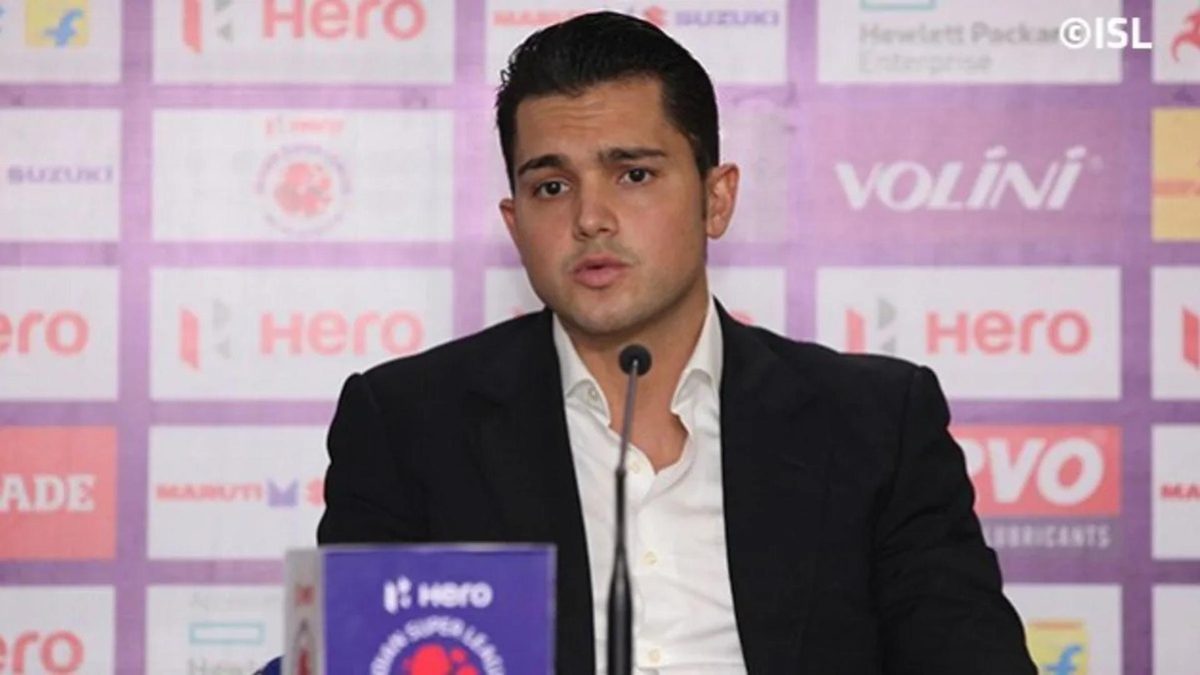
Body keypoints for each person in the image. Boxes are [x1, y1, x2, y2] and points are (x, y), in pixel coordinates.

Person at [318, 11, 1035, 674]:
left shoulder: (875, 421)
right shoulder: (408, 424)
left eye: (634, 174)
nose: (590, 217)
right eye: (551, 187)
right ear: (515, 223)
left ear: (715, 199)